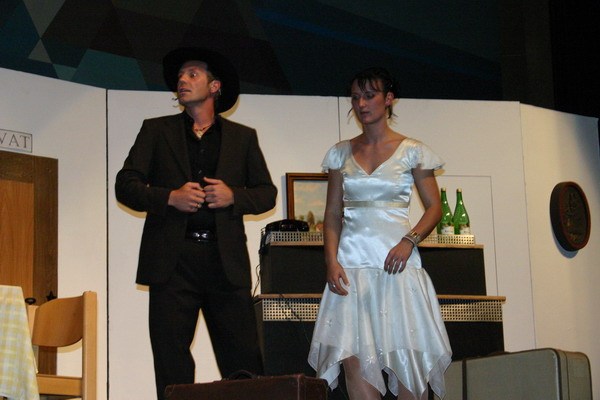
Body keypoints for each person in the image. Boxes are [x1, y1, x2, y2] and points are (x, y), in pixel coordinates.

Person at [115, 47, 276, 400]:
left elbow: (267, 193)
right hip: (172, 263)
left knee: (244, 363)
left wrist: (234, 196)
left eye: (192, 74)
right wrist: (169, 197)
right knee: (171, 364)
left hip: (225, 262)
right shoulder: (156, 130)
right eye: (180, 76)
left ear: (215, 86)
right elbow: (125, 185)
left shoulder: (243, 137)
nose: (182, 81)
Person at [308, 67, 452, 400]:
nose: (361, 104)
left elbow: (434, 208)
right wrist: (331, 262)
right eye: (355, 97)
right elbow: (332, 215)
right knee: (354, 360)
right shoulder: (340, 153)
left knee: (410, 365)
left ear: (389, 99)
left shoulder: (413, 150)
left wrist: (409, 240)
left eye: (369, 95)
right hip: (352, 271)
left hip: (397, 269)